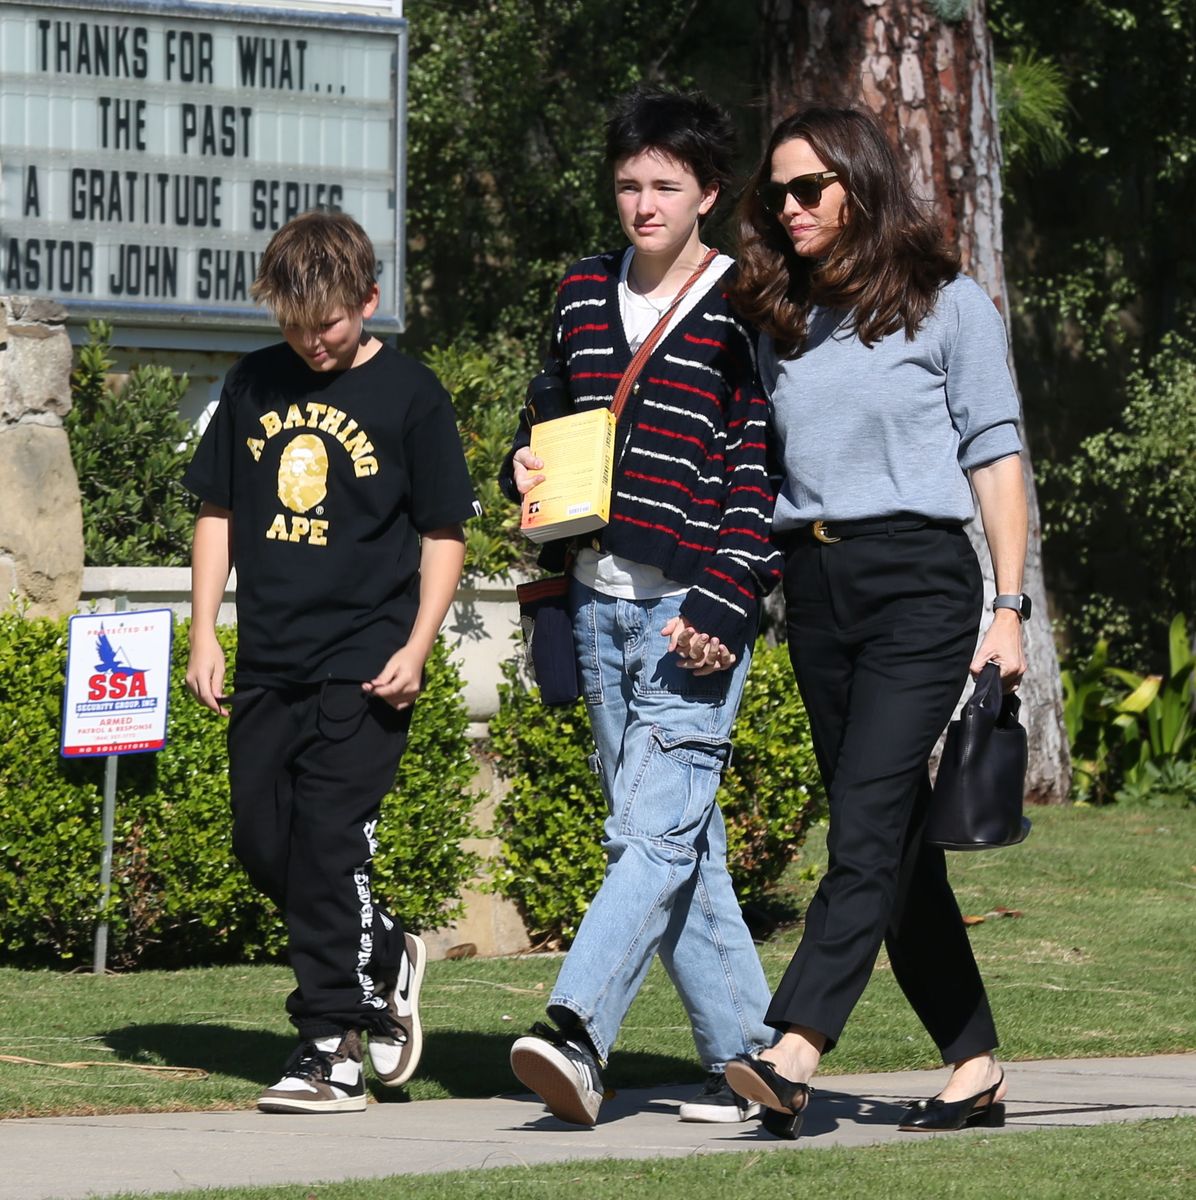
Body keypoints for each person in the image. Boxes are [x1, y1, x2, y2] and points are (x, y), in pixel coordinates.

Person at [722, 107, 1030, 1139]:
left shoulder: (945, 306)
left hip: (917, 584)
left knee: (861, 825)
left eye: (809, 187)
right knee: (893, 841)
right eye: (776, 193)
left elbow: (994, 459)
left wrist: (1007, 607)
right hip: (813, 590)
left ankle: (792, 1048)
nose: (789, 207)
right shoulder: (779, 315)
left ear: (858, 184)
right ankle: (973, 1062)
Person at [499, 86, 783, 1128]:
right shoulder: (580, 291)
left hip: (689, 616)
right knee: (676, 844)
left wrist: (727, 597)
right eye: (628, 184)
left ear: (707, 192)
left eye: (665, 184)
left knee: (648, 842)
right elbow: (547, 412)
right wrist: (518, 462)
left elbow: (757, 463)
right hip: (594, 602)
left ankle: (574, 1030)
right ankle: (755, 1063)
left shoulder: (740, 301)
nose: (643, 202)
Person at [183, 210, 478, 1114]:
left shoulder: (412, 397)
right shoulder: (252, 382)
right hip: (270, 657)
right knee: (262, 841)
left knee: (325, 847)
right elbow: (218, 513)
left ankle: (329, 1047)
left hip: (365, 661)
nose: (313, 343)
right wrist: (204, 630)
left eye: (331, 325)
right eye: (296, 325)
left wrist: (416, 646)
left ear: (369, 301)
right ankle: (384, 948)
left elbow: (442, 533)